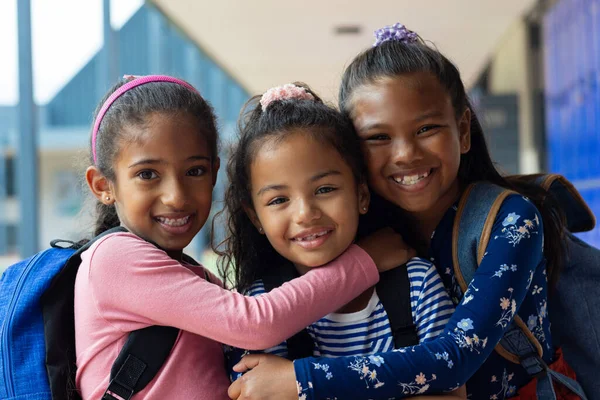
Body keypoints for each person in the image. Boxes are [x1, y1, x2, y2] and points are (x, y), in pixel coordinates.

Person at [227, 25, 579, 400]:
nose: (405, 154)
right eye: (379, 137)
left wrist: (299, 380)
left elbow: (454, 358)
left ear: (462, 129)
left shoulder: (511, 219)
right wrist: (360, 264)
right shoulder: (358, 230)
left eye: (426, 128)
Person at [74, 74, 408, 399]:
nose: (176, 196)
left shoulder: (193, 276)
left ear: (215, 172)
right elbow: (255, 322)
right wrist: (365, 260)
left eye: (195, 171)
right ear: (103, 185)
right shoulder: (113, 259)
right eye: (147, 174)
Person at [220, 83, 463, 398]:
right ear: (256, 218)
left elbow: (453, 393)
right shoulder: (258, 306)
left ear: (361, 194)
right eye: (279, 200)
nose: (305, 214)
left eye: (324, 189)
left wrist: (302, 384)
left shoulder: (415, 283)